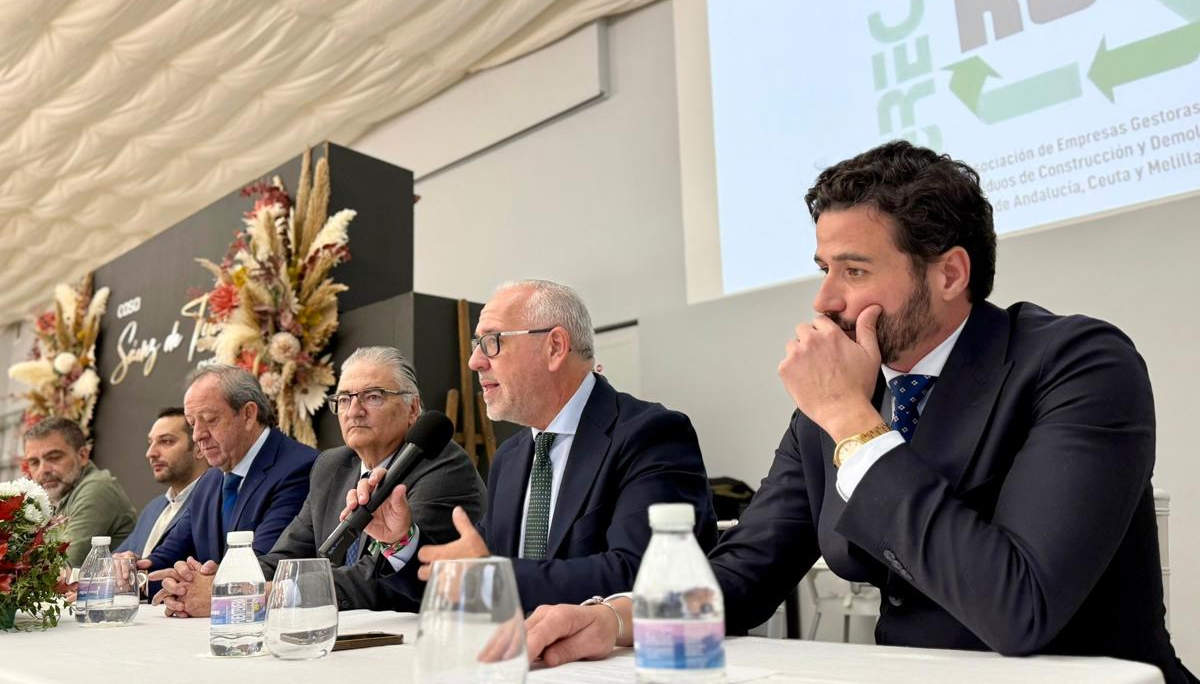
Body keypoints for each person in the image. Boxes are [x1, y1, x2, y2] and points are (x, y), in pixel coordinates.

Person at [521, 141, 1196, 684]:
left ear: (949, 274)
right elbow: (743, 575)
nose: (824, 301)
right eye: (823, 268)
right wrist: (614, 620)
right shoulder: (845, 392)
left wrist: (851, 420)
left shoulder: (1079, 364)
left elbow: (1021, 609)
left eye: (853, 270)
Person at [346, 279, 717, 611]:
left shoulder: (651, 434)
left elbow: (644, 573)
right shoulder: (512, 456)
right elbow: (467, 579)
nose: (475, 361)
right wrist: (401, 542)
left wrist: (495, 578)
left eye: (491, 343)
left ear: (555, 347)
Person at [153, 346, 487, 616]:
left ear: (412, 408)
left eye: (372, 397)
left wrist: (256, 595)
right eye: (343, 400)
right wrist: (220, 582)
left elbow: (380, 580)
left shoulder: (442, 466)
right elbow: (285, 557)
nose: (354, 411)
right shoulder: (333, 466)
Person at [143, 365, 318, 598]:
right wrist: (134, 575)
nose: (197, 435)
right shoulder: (208, 481)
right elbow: (164, 560)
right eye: (193, 423)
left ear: (247, 414)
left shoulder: (299, 468)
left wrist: (198, 587)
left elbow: (265, 567)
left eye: (209, 420)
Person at [22, 417, 137, 567]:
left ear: (82, 456)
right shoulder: (56, 495)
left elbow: (61, 568)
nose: (43, 470)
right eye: (34, 462)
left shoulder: (97, 489)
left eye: (54, 458)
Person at [116, 407, 210, 557]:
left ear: (199, 447)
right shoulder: (153, 508)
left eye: (166, 441)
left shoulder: (214, 504)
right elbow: (112, 561)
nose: (150, 453)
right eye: (150, 443)